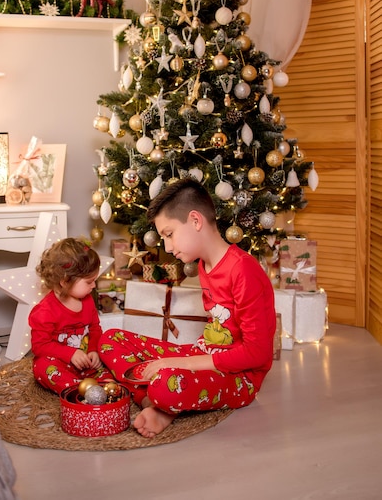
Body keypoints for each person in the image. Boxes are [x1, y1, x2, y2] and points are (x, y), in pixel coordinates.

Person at [99, 178, 276, 438]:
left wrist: (177, 363)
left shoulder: (243, 270)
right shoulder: (204, 266)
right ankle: (153, 404)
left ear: (195, 220)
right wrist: (178, 362)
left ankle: (159, 400)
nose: (168, 247)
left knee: (164, 384)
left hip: (241, 378)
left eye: (169, 235)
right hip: (203, 353)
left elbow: (258, 354)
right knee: (109, 339)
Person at [29, 237, 112, 395]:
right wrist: (70, 354)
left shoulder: (87, 301)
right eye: (89, 282)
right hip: (61, 363)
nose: (94, 286)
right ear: (65, 281)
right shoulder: (45, 311)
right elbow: (39, 346)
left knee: (109, 349)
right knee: (43, 367)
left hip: (87, 363)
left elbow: (95, 328)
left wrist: (93, 350)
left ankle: (102, 385)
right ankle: (77, 390)